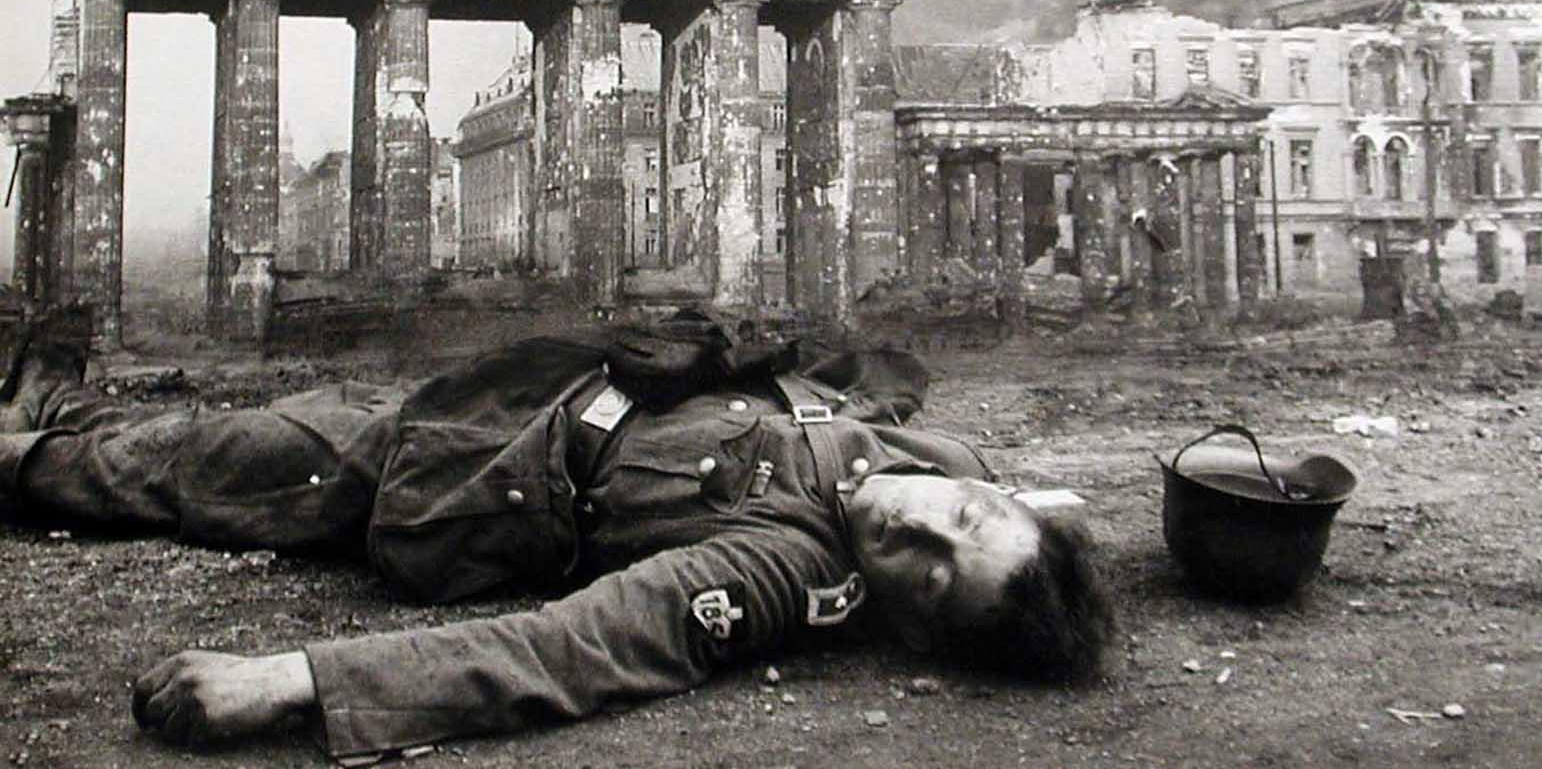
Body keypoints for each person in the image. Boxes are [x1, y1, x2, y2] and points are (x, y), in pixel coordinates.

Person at [0, 314, 1114, 760]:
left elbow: (574, 647)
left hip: (444, 482)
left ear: (909, 627)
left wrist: (293, 677)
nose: (916, 526)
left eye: (931, 578)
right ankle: (52, 403)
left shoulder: (784, 565)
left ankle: (31, 447)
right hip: (504, 394)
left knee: (178, 466)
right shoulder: (948, 466)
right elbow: (986, 480)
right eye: (964, 519)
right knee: (213, 433)